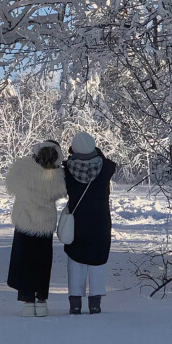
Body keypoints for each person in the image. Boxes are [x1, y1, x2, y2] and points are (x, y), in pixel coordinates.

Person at [6, 139, 66, 317]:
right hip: (45, 225)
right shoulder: (58, 178)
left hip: (24, 223)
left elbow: (10, 185)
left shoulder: (22, 169)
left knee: (24, 263)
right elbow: (63, 191)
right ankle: (41, 302)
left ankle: (27, 302)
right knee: (42, 264)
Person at [63, 132, 116, 315]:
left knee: (76, 261)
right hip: (100, 223)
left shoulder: (67, 170)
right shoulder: (106, 168)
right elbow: (105, 160)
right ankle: (95, 304)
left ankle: (75, 303)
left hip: (77, 223)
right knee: (97, 263)